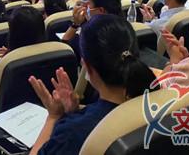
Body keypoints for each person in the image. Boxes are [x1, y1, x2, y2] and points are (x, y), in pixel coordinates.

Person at [28, 14, 156, 154]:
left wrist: (53, 117)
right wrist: (74, 112)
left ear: (87, 66)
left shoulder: (72, 132)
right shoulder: (159, 101)